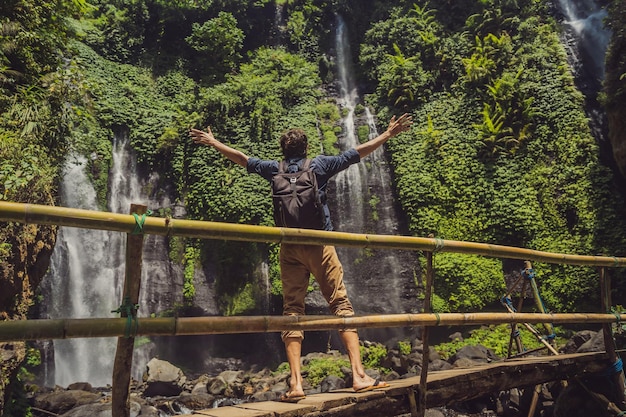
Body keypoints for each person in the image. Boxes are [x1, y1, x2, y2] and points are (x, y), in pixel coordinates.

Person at [189, 113, 413, 401]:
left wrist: (213, 141)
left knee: (292, 310)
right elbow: (356, 153)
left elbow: (243, 159)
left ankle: (296, 385)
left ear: (283, 150)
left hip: (290, 247)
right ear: (306, 148)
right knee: (340, 304)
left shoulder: (274, 169)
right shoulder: (319, 165)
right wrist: (387, 134)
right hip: (320, 243)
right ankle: (358, 375)